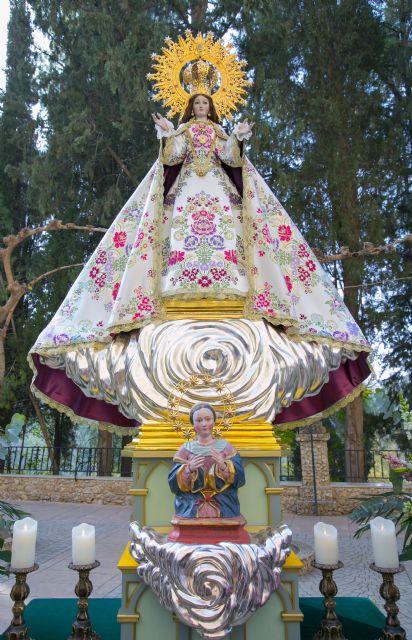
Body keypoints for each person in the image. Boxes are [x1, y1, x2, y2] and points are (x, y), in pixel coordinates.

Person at [28, 35, 371, 433]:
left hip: (219, 197)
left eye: (207, 103)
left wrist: (239, 139)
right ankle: (177, 285)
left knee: (230, 236)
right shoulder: (184, 135)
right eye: (197, 103)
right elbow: (171, 161)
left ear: (214, 106)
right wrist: (166, 135)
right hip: (188, 197)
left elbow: (231, 161)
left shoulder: (221, 136)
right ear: (190, 105)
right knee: (178, 240)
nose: (202, 108)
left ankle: (234, 284)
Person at [168, 403, 245, 519]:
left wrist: (224, 466)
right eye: (199, 420)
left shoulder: (226, 448)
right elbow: (173, 485)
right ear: (193, 424)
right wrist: (188, 469)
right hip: (191, 502)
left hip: (223, 501)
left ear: (214, 421)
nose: (204, 424)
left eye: (208, 419)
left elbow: (240, 479)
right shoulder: (185, 450)